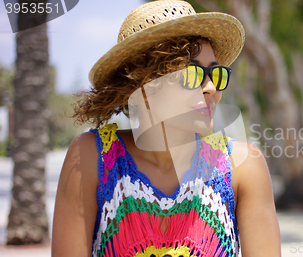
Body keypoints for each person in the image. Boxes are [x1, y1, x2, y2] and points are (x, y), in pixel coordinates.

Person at [51, 1, 281, 256]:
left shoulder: (242, 168)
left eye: (217, 75)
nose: (211, 89)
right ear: (143, 88)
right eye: (193, 74)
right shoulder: (92, 159)